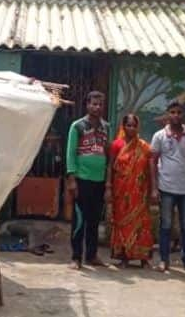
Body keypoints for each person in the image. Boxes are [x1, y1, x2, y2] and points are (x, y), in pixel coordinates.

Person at [150, 101, 185, 273]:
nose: (176, 115)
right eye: (172, 112)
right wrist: (154, 188)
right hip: (166, 187)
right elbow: (153, 161)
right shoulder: (159, 136)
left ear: (183, 114)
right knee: (166, 225)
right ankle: (164, 260)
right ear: (167, 114)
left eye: (179, 112)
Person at [66, 91, 111, 270]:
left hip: (99, 181)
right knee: (79, 220)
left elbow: (108, 156)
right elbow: (70, 154)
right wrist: (72, 179)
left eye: (100, 104)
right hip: (82, 179)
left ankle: (91, 255)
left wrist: (108, 183)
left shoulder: (106, 127)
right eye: (94, 104)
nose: (97, 107)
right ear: (87, 105)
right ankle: (76, 257)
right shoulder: (77, 126)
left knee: (94, 220)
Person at [105, 114, 154, 268]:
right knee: (121, 223)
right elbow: (110, 167)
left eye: (134, 125)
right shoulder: (116, 145)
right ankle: (124, 256)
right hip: (121, 191)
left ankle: (143, 258)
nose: (131, 128)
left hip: (139, 192)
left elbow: (150, 169)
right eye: (128, 125)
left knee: (142, 223)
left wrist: (154, 189)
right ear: (123, 126)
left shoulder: (144, 146)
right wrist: (108, 186)